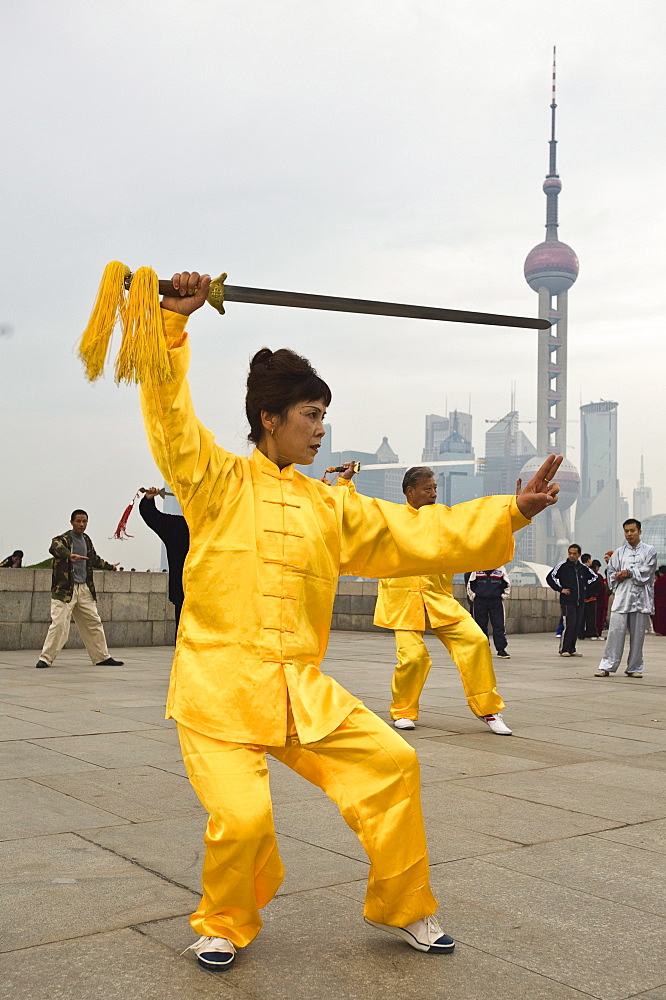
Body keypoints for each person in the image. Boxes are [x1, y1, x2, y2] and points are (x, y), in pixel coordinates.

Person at [138, 269, 562, 970]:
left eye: (323, 414)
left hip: (296, 690)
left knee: (392, 762)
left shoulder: (330, 505)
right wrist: (171, 325)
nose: (321, 428)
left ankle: (406, 905)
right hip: (215, 688)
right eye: (310, 414)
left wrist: (509, 511)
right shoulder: (215, 482)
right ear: (271, 419)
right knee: (242, 819)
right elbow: (168, 416)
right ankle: (223, 920)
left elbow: (416, 535)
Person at [373, 468, 512, 737]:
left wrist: (512, 510)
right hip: (402, 599)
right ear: (409, 491)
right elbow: (354, 518)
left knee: (475, 640)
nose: (434, 494)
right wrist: (343, 483)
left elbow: (478, 527)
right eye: (427, 489)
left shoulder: (445, 519)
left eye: (435, 488)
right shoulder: (390, 519)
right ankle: (403, 710)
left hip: (438, 597)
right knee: (413, 657)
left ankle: (489, 709)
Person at [35, 510, 124, 670]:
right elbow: (54, 548)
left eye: (84, 521)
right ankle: (45, 659)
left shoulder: (86, 540)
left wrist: (110, 567)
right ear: (71, 522)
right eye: (78, 521)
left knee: (93, 622)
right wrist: (69, 556)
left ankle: (101, 657)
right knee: (59, 624)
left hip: (84, 589)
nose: (81, 524)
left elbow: (93, 559)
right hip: (65, 590)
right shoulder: (62, 539)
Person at [595, 519, 657, 677]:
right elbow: (611, 574)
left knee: (638, 636)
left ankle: (635, 667)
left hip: (641, 599)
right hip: (622, 598)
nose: (629, 534)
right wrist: (618, 578)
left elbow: (647, 572)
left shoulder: (650, 551)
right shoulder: (618, 553)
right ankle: (607, 665)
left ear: (639, 531)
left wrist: (628, 572)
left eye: (632, 531)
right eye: (627, 531)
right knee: (615, 632)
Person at [139, 487, 189, 632]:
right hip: (185, 592)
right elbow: (152, 516)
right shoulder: (178, 527)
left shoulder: (215, 528)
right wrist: (149, 499)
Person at [546, 544, 597, 657]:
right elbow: (550, 577)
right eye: (570, 553)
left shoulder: (583, 568)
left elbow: (594, 578)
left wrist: (586, 585)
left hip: (580, 600)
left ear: (579, 555)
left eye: (574, 554)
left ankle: (572, 648)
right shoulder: (563, 566)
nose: (572, 556)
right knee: (569, 624)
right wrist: (560, 589)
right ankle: (564, 648)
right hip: (567, 601)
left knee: (577, 624)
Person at [468, 567, 511, 657]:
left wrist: (503, 596)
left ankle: (501, 649)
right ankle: (483, 648)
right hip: (480, 601)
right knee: (480, 626)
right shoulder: (477, 567)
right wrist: (474, 596)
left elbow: (506, 584)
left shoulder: (501, 568)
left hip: (495, 601)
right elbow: (471, 583)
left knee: (498, 625)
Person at [578, 553, 602, 640]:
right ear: (588, 560)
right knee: (591, 617)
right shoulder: (589, 570)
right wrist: (588, 587)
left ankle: (580, 633)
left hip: (581, 597)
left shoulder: (579, 569)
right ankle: (592, 633)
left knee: (581, 617)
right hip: (590, 597)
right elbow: (597, 581)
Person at [591, 559, 608, 639]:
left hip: (592, 600)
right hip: (600, 601)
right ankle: (597, 633)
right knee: (599, 618)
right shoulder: (598, 577)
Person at [654, 566, 666, 636]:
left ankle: (663, 631)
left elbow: (655, 589)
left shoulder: (661, 580)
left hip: (661, 601)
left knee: (662, 617)